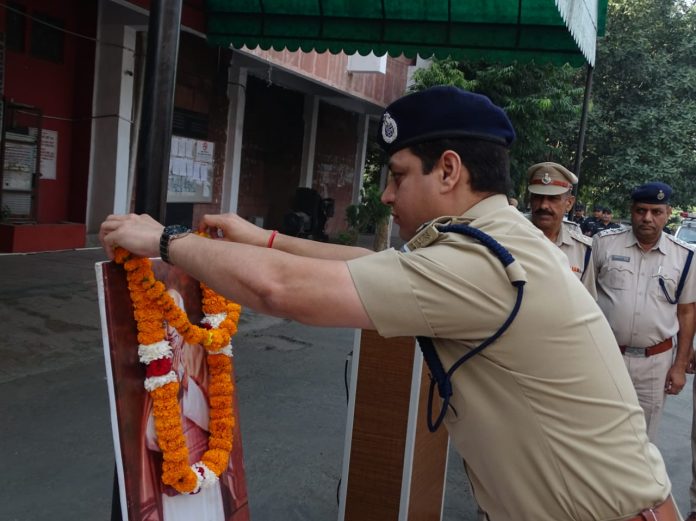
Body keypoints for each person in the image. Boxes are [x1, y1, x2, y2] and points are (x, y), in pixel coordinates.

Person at [101, 86, 680, 521]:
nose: (386, 194)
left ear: (448, 170)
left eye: (399, 175)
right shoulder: (500, 240)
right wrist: (265, 240)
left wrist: (165, 240)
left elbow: (284, 291)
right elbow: (368, 268)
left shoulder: (481, 263)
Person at [589, 182, 696, 442]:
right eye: (641, 210)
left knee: (642, 441)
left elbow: (686, 312)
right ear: (632, 210)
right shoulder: (603, 245)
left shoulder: (684, 257)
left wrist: (679, 366)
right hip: (606, 356)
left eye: (656, 211)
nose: (647, 218)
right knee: (598, 434)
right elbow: (585, 299)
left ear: (668, 212)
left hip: (655, 364)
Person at [527, 162, 596, 298]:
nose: (544, 205)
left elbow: (587, 303)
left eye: (553, 199)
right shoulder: (510, 238)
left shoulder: (581, 250)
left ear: (569, 203)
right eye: (538, 197)